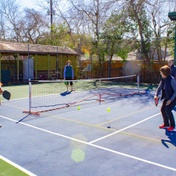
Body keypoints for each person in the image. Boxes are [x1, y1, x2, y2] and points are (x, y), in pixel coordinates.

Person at [154, 65, 176, 131]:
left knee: (168, 111)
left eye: (161, 72)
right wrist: (156, 95)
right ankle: (166, 124)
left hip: (173, 98)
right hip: (167, 97)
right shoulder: (163, 79)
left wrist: (170, 100)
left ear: (164, 73)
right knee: (163, 110)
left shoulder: (172, 80)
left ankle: (172, 126)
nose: (160, 73)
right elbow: (159, 87)